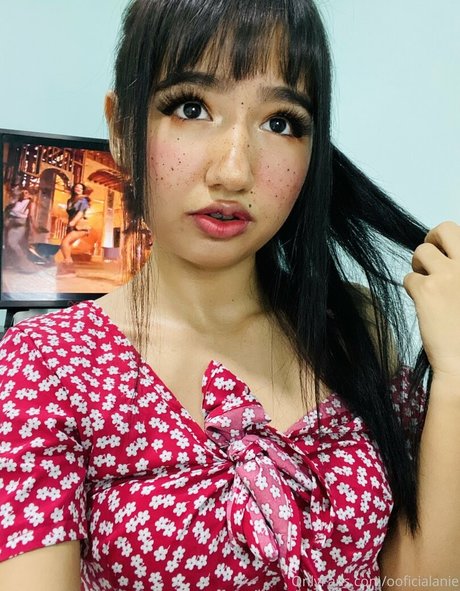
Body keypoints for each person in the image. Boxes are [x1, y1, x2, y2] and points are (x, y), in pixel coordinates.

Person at [0, 1, 459, 590]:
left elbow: (421, 580)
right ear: (121, 128)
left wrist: (453, 375)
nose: (235, 171)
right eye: (191, 108)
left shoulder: (352, 327)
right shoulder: (47, 365)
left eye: (281, 123)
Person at [56, 182, 91, 277]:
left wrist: (73, 222)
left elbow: (81, 212)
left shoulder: (83, 200)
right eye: (76, 187)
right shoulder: (70, 200)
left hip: (80, 226)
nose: (78, 189)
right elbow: (70, 213)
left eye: (80, 188)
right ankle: (69, 271)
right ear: (73, 189)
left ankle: (68, 268)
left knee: (64, 243)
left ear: (83, 190)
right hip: (71, 226)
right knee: (68, 246)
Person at [2, 186, 37, 273]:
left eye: (27, 193)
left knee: (13, 243)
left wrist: (34, 228)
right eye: (23, 192)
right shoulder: (17, 201)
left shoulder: (30, 203)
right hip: (9, 222)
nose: (24, 194)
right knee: (7, 243)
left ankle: (24, 263)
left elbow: (31, 216)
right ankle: (11, 263)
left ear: (30, 194)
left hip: (19, 224)